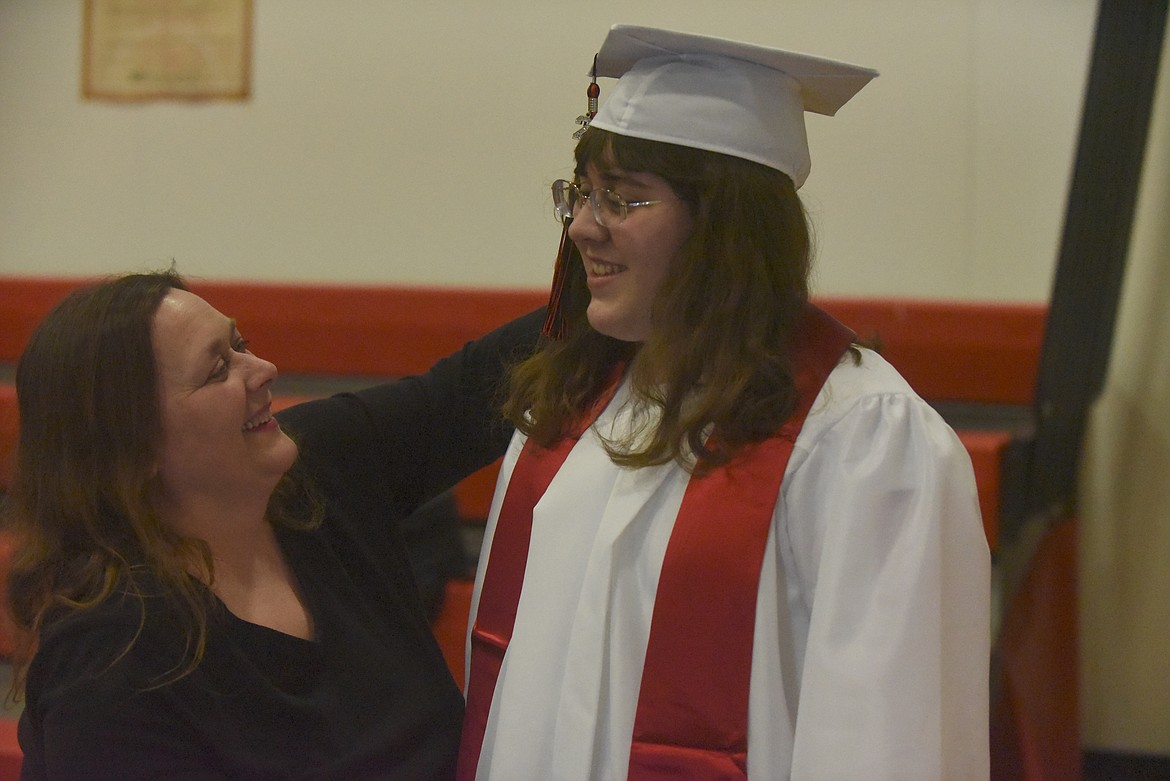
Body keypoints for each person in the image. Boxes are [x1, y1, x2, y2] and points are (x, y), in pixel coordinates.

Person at [458, 25, 991, 780]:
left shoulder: (860, 440)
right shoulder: (573, 405)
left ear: (724, 229)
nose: (582, 225)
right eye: (582, 192)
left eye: (623, 197)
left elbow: (889, 742)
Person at [2, 269, 542, 780]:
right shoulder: (109, 660)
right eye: (218, 369)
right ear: (133, 448)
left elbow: (486, 384)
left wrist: (614, 262)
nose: (262, 370)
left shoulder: (320, 466)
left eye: (239, 344)